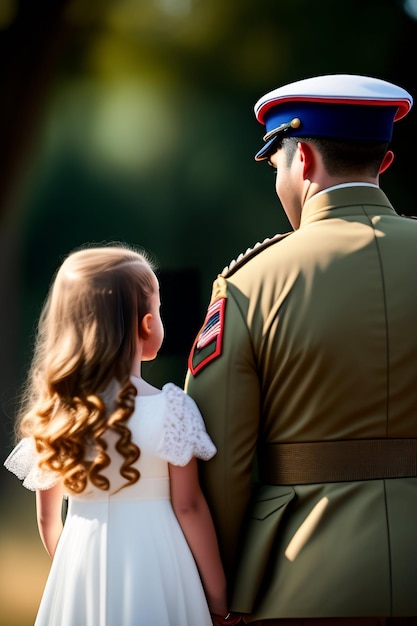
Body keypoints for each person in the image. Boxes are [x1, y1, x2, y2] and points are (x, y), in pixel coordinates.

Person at [185, 74, 417, 625]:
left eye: (276, 167)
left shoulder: (247, 285)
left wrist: (225, 589)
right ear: (382, 164)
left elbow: (219, 463)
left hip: (301, 583)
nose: (277, 184)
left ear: (304, 160)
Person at [4, 243, 241, 626]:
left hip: (79, 567)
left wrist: (74, 571)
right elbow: (189, 507)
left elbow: (49, 521)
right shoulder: (171, 409)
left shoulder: (56, 417)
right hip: (162, 566)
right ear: (148, 324)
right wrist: (218, 597)